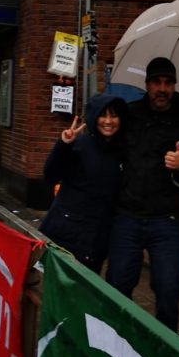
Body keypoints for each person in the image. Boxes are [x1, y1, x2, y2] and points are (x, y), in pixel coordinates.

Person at [106, 57, 179, 331]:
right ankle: (114, 343)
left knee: (169, 290)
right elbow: (108, 146)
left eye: (168, 83)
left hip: (166, 220)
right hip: (127, 216)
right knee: (117, 286)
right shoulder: (129, 115)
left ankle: (163, 353)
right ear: (147, 85)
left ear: (174, 86)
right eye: (157, 82)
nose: (162, 88)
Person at [40, 91, 127, 273]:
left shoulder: (122, 151)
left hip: (96, 240)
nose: (108, 121)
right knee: (57, 290)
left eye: (114, 115)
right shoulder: (80, 144)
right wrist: (63, 145)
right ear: (95, 117)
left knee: (83, 294)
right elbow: (50, 175)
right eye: (103, 115)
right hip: (66, 234)